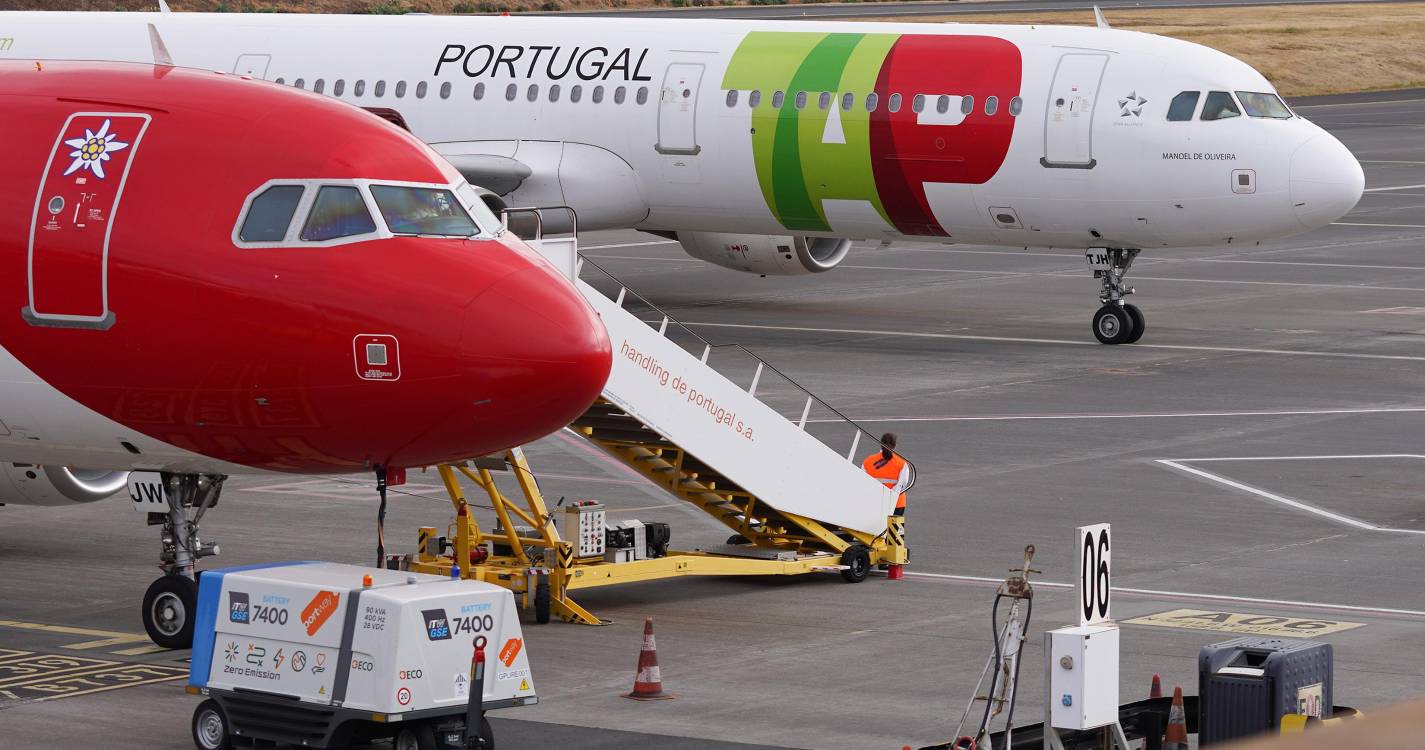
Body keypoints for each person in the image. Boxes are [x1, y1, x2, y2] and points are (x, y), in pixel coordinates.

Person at [862, 432, 910, 516]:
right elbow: (903, 484)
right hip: (897, 504)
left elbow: (863, 482)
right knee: (894, 529)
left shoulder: (868, 461)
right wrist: (890, 496)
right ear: (895, 445)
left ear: (880, 444)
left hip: (875, 502)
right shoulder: (902, 463)